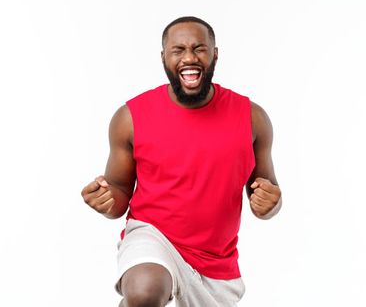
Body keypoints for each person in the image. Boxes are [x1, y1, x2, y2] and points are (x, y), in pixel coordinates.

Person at [81, 16, 282, 307]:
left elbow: (266, 193)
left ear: (215, 54)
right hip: (153, 237)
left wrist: (270, 203)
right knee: (144, 292)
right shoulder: (130, 118)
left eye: (199, 48)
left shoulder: (252, 118)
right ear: (164, 57)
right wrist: (106, 199)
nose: (189, 57)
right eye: (178, 50)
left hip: (215, 262)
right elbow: (119, 191)